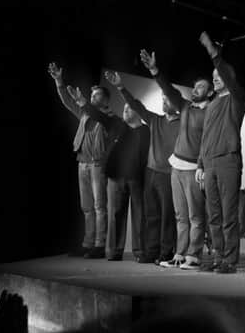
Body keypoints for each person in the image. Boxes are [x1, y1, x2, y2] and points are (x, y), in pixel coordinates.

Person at [139, 48, 213, 269]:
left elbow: (208, 145)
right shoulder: (185, 107)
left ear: (209, 93)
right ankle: (180, 254)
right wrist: (154, 70)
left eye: (201, 87)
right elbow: (168, 90)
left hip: (193, 169)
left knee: (195, 216)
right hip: (176, 167)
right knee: (180, 216)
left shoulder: (211, 112)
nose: (196, 89)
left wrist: (203, 167)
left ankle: (194, 255)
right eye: (195, 86)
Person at [104, 70, 181, 264]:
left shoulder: (183, 122)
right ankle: (151, 251)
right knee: (151, 216)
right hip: (151, 173)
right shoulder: (155, 120)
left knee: (166, 217)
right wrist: (121, 87)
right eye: (162, 99)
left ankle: (166, 251)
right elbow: (137, 106)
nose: (164, 102)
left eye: (168, 99)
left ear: (177, 102)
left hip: (168, 174)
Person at [68, 86, 148, 261]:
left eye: (129, 109)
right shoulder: (118, 124)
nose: (125, 111)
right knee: (113, 215)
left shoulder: (145, 131)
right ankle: (112, 251)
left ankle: (139, 251)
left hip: (136, 178)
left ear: (138, 112)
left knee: (138, 215)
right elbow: (97, 116)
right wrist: (81, 101)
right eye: (124, 108)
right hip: (116, 177)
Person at [48, 63, 116, 259]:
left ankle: (100, 244)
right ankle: (87, 243)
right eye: (92, 95)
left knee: (99, 206)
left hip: (97, 165)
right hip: (82, 163)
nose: (92, 97)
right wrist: (59, 81)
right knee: (87, 207)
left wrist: (85, 103)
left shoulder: (108, 117)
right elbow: (67, 101)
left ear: (105, 100)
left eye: (96, 96)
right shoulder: (85, 114)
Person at [195, 31, 245, 274]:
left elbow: (226, 73)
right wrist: (200, 165)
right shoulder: (212, 104)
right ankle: (217, 256)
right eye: (213, 77)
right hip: (209, 163)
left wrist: (214, 54)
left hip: (228, 161)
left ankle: (230, 260)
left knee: (229, 214)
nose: (215, 79)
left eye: (219, 76)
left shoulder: (237, 99)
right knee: (213, 215)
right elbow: (205, 137)